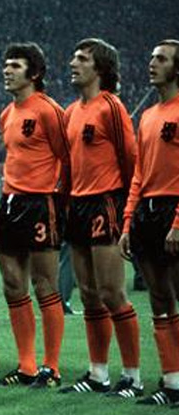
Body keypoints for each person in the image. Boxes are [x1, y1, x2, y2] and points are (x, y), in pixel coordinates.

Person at [60, 38, 142, 398]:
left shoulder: (112, 107)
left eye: (82, 58)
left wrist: (128, 213)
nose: (73, 63)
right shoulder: (70, 112)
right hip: (77, 206)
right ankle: (98, 374)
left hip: (105, 203)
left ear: (100, 68)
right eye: (74, 57)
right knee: (90, 295)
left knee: (112, 292)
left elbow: (130, 161)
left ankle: (133, 376)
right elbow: (68, 165)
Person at [0, 43, 69, 388]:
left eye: (15, 66)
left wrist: (60, 201)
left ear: (34, 73)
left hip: (40, 202)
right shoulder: (6, 114)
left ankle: (51, 368)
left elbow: (67, 158)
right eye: (6, 65)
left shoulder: (49, 110)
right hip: (10, 202)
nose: (7, 71)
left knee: (45, 285)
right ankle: (26, 366)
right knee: (12, 285)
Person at [119, 39, 179, 406]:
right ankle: (172, 382)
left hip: (174, 209)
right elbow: (139, 173)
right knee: (159, 300)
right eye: (152, 57)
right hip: (148, 211)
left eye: (161, 59)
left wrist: (178, 221)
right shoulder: (148, 116)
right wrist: (128, 222)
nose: (152, 63)